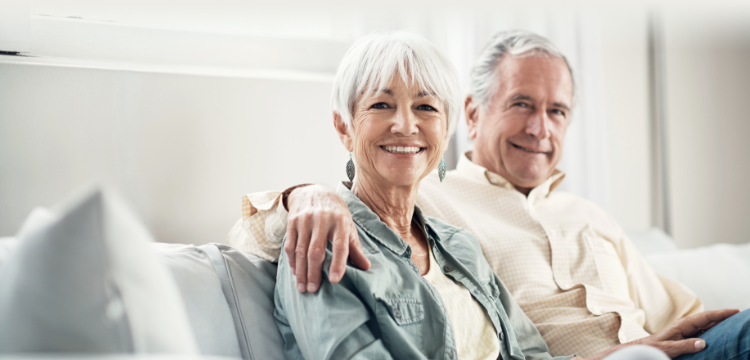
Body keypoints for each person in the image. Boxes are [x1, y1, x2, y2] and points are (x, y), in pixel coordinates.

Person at [228, 31, 745, 359]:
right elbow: (260, 231)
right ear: (472, 118)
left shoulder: (463, 244)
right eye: (522, 103)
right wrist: (308, 195)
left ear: (447, 122)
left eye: (427, 109)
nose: (541, 128)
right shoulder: (394, 208)